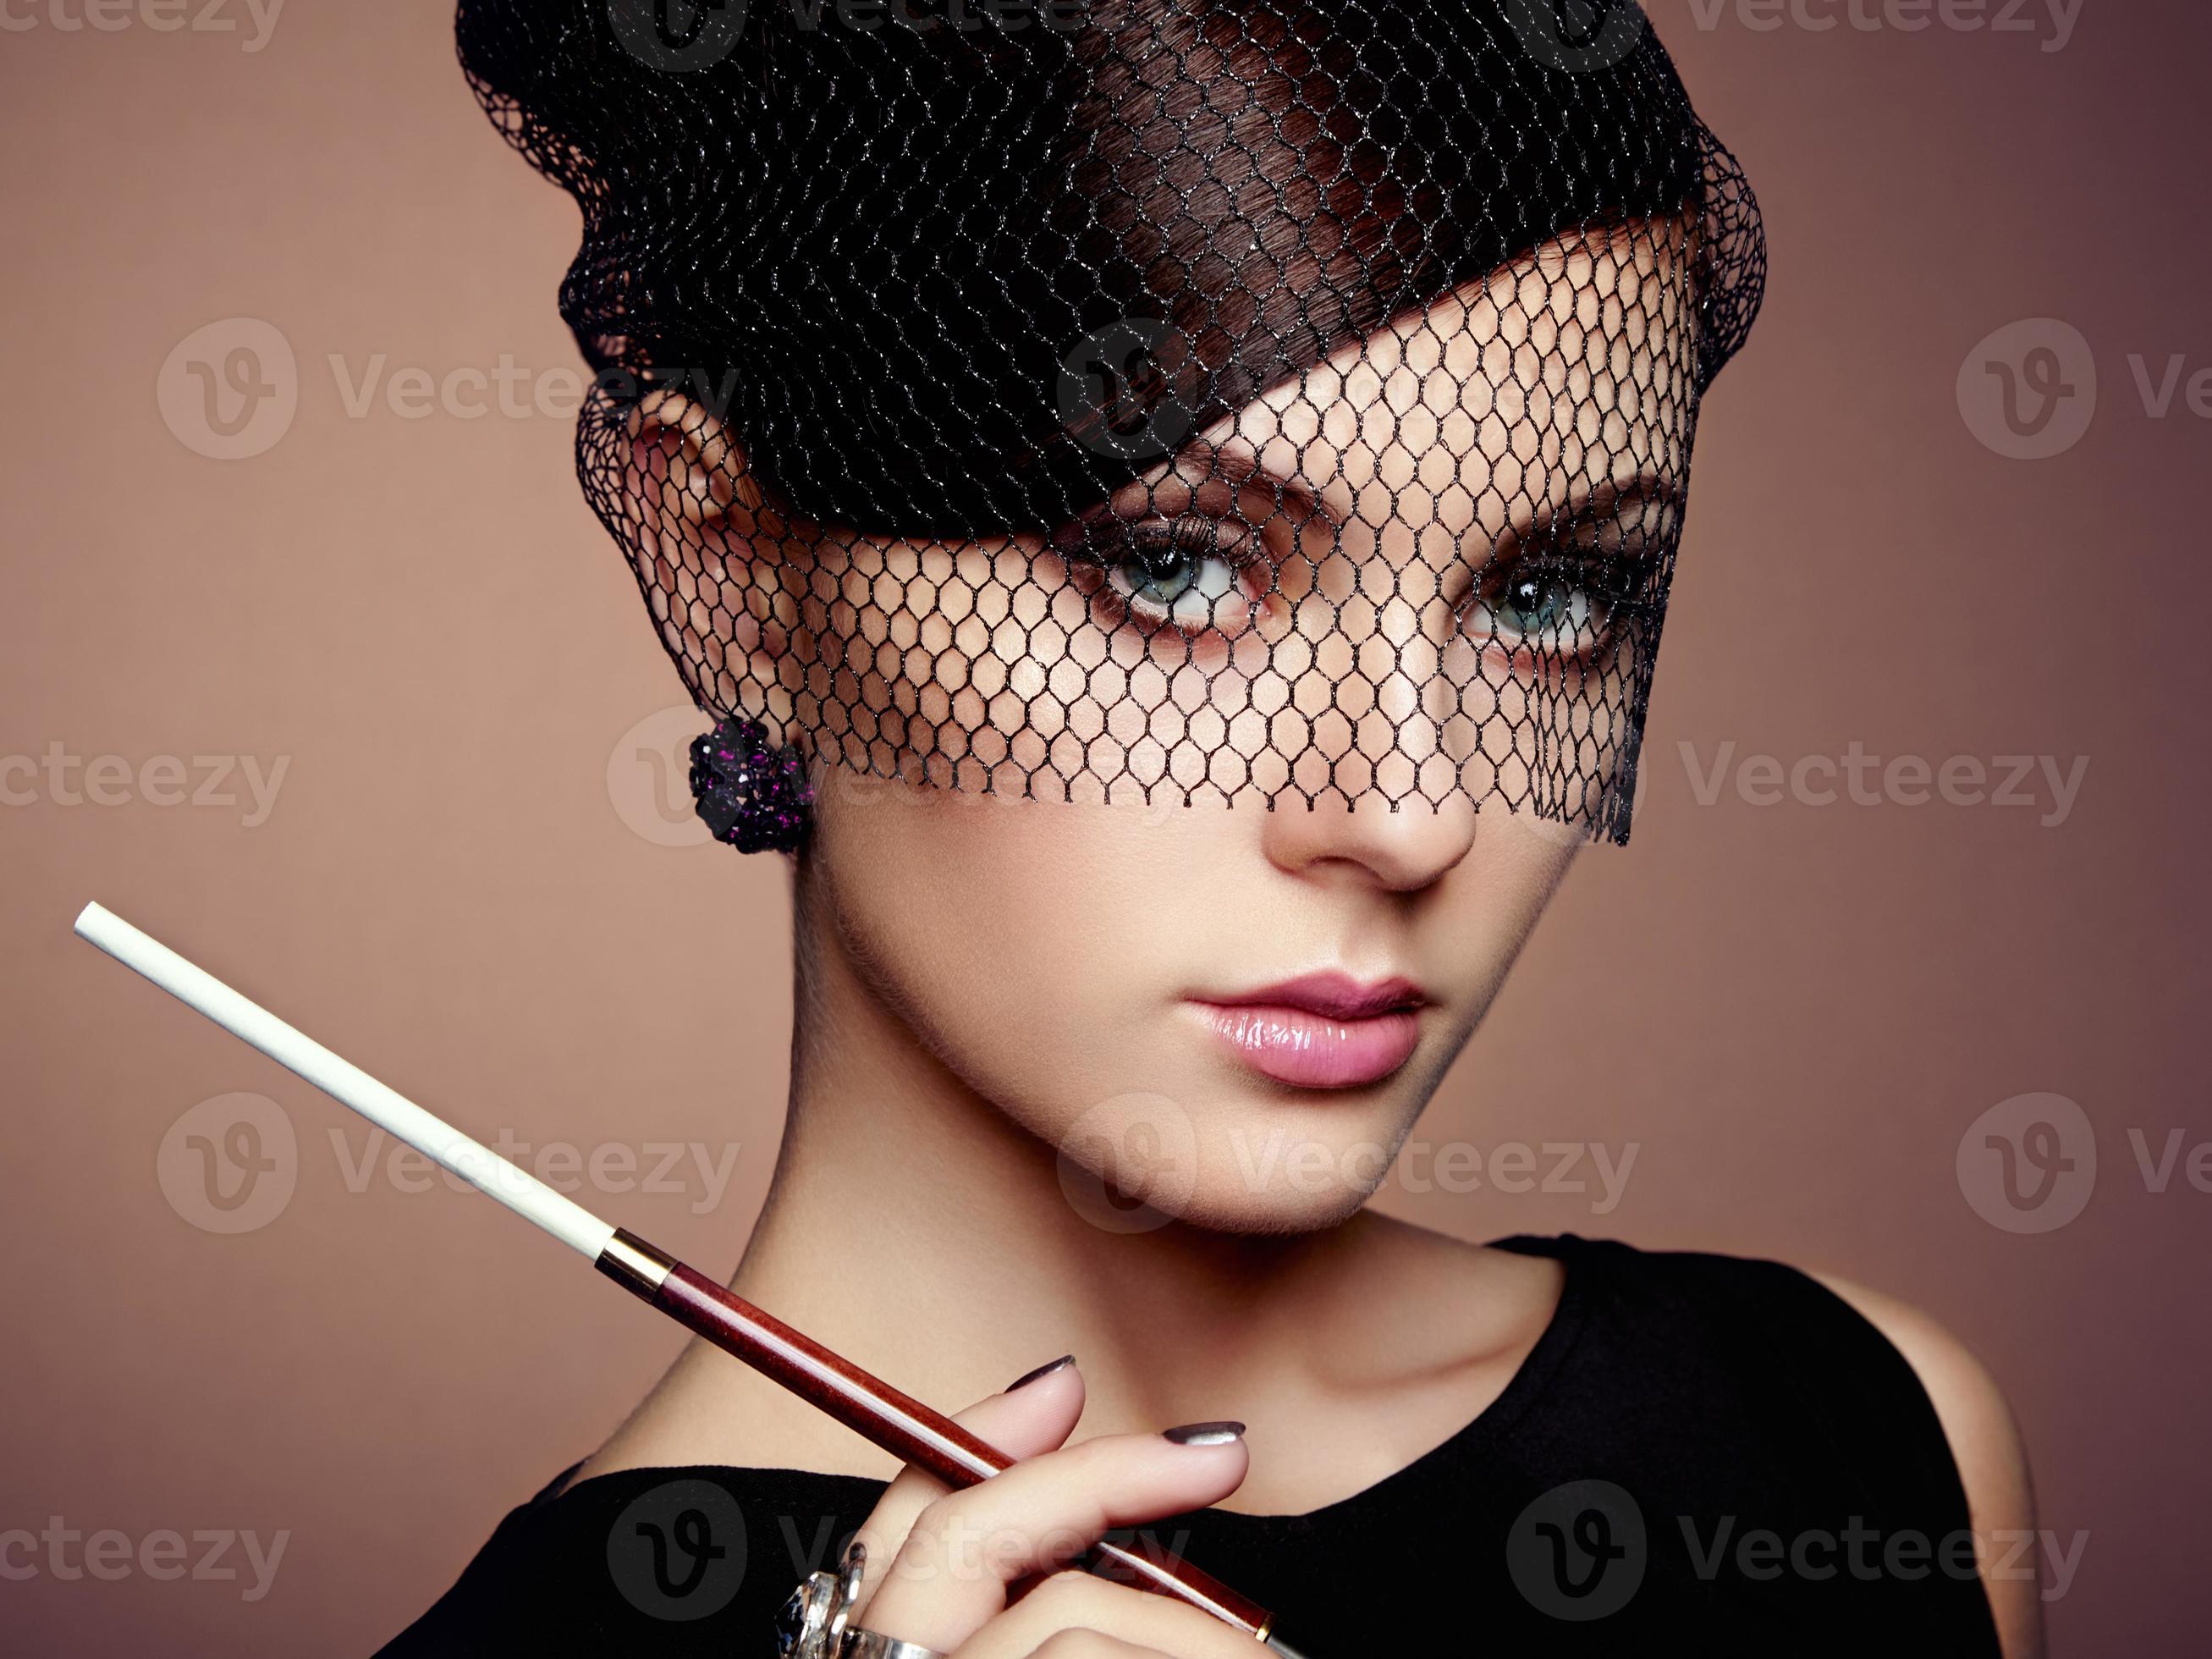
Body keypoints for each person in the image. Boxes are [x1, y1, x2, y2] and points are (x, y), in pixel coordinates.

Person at [386, 2, 2035, 1652]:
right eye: (1175, 564)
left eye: (1544, 592)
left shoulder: (1853, 1443)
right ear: (729, 567)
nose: (1407, 812)